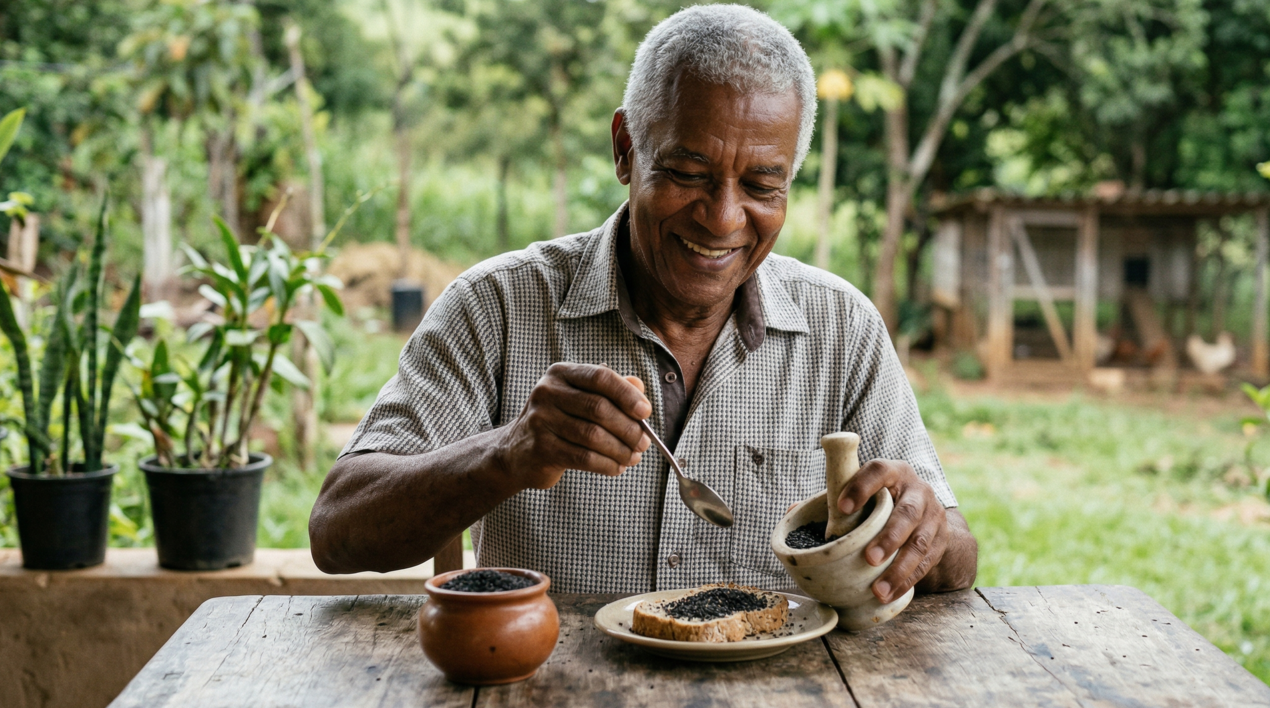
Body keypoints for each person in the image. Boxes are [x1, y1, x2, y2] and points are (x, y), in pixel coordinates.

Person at [310, 4, 977, 600]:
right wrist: (508, 453)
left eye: (761, 186)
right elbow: (338, 534)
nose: (721, 218)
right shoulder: (498, 308)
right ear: (627, 149)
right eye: (687, 173)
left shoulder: (842, 328)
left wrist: (924, 529)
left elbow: (958, 557)